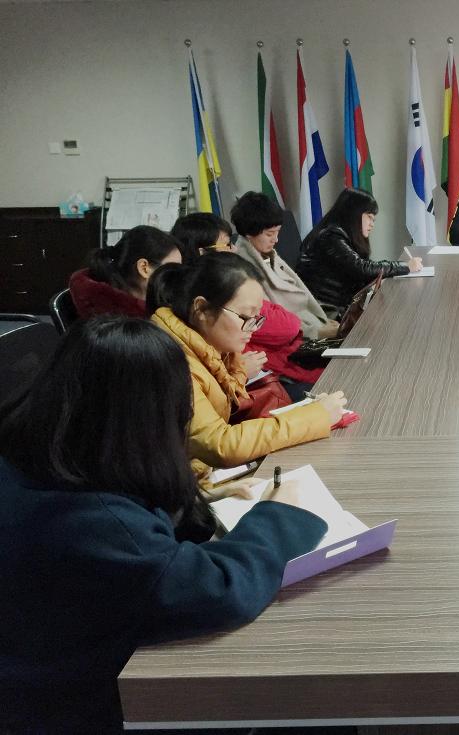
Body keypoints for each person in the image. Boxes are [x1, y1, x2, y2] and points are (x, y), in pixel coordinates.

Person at [0, 315, 328, 732]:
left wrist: (203, 496)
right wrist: (282, 514)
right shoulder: (94, 523)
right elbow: (219, 590)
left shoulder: (43, 452)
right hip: (73, 704)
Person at [146, 252, 346, 482]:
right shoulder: (171, 359)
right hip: (179, 487)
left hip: (197, 478)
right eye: (245, 317)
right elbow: (221, 444)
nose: (253, 328)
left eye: (257, 318)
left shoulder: (209, 347)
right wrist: (315, 416)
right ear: (201, 309)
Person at [171, 212, 326, 392]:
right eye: (227, 245)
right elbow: (288, 326)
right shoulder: (225, 289)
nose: (234, 249)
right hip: (270, 381)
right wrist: (238, 374)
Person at [297, 188, 423, 313]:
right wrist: (405, 266)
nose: (372, 224)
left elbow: (359, 269)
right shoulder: (331, 237)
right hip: (325, 312)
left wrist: (383, 275)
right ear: (354, 213)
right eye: (369, 217)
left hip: (338, 306)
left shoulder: (342, 235)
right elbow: (361, 268)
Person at [230, 191, 339, 335]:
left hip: (311, 323)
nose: (276, 240)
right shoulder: (243, 268)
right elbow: (270, 321)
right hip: (298, 336)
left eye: (277, 232)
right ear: (249, 232)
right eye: (269, 234)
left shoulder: (268, 254)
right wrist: (317, 332)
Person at [68, 225, 182, 319]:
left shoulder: (129, 303)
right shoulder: (122, 323)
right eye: (171, 270)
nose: (177, 279)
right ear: (144, 268)